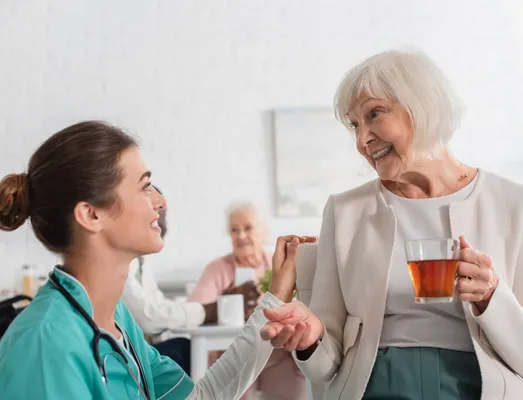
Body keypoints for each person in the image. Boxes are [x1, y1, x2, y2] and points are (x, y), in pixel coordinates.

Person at [261, 49, 523, 399]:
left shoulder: (513, 202)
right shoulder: (346, 211)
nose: (362, 140)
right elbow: (325, 367)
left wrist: (491, 296)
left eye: (374, 114)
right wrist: (311, 338)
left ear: (421, 106)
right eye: (354, 126)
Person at [0, 120, 316, 399]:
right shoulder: (43, 345)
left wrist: (275, 295)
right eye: (144, 186)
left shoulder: (117, 320)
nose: (161, 202)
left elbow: (204, 396)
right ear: (91, 214)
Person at [188, 202, 306, 400]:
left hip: (278, 353)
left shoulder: (277, 265)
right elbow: (194, 310)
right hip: (232, 353)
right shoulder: (218, 269)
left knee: (291, 370)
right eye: (234, 230)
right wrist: (223, 302)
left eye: (248, 228)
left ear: (263, 231)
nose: (241, 236)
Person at [122, 186, 216, 376]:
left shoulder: (142, 261)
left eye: (163, 214)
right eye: (156, 212)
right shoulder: (121, 262)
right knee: (183, 351)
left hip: (140, 349)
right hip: (123, 355)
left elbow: (158, 305)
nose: (163, 220)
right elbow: (149, 317)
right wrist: (205, 311)